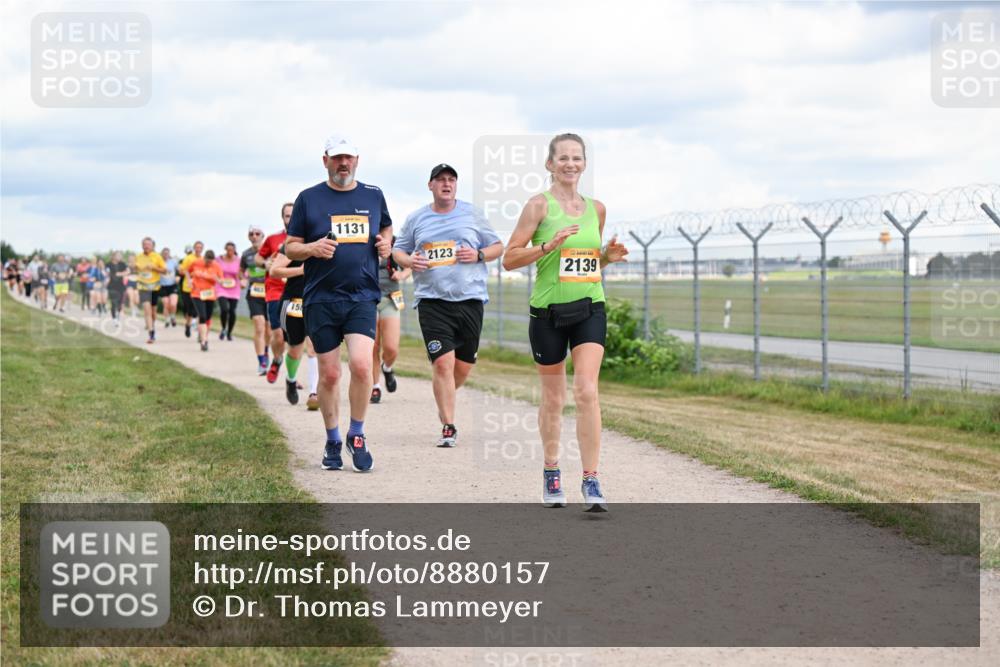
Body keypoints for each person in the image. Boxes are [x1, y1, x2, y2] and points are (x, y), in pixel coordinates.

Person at [502, 133, 628, 512]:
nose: (570, 164)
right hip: (548, 313)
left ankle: (591, 479)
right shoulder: (537, 206)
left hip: (590, 306)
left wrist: (606, 258)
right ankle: (551, 470)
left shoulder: (597, 209)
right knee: (554, 398)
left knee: (587, 391)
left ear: (584, 163)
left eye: (577, 158)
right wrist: (547, 246)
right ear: (550, 164)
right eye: (563, 158)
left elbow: (588, 263)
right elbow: (509, 258)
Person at [284, 134, 393, 473]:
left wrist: (386, 244)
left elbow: (386, 228)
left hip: (362, 295)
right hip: (321, 298)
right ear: (325, 161)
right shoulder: (308, 198)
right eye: (336, 158)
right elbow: (290, 247)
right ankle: (332, 439)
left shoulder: (373, 195)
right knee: (330, 374)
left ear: (357, 161)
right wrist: (312, 248)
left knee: (361, 366)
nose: (343, 163)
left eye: (348, 158)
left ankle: (356, 434)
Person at [392, 163, 503, 446]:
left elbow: (497, 247)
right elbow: (398, 250)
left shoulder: (472, 214)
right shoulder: (417, 218)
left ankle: (445, 397)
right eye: (440, 179)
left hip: (470, 300)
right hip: (432, 301)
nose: (446, 184)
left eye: (451, 179)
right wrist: (409, 260)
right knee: (443, 364)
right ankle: (449, 426)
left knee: (461, 369)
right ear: (430, 185)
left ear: (456, 185)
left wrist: (478, 254)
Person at [268, 244, 312, 405]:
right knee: (295, 350)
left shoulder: (330, 241)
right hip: (293, 302)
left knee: (315, 347)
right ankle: (291, 379)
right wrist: (301, 271)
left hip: (317, 301)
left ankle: (314, 392)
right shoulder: (293, 245)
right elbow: (274, 271)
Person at [370, 240, 410, 403]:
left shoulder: (394, 241)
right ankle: (375, 386)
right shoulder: (362, 238)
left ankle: (387, 368)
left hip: (390, 299)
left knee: (391, 348)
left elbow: (408, 265)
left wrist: (401, 275)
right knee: (372, 347)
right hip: (368, 300)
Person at [257, 205, 291, 383]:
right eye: (287, 216)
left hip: (298, 292)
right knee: (278, 334)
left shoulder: (307, 238)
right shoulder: (272, 239)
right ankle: (277, 360)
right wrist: (265, 263)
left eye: (293, 215)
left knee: (296, 338)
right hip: (275, 290)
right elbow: (258, 257)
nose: (290, 219)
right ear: (282, 218)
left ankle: (292, 376)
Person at [241, 226, 270, 374]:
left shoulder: (270, 251)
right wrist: (243, 279)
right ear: (248, 237)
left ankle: (266, 351)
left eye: (257, 233)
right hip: (254, 292)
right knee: (259, 325)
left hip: (270, 292)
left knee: (269, 329)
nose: (254, 236)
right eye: (251, 234)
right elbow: (241, 271)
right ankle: (261, 362)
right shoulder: (246, 254)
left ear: (262, 236)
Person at [189, 249, 224, 351]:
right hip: (197, 293)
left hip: (209, 295)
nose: (208, 264)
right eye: (207, 261)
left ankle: (203, 335)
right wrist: (189, 280)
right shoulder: (196, 262)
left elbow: (222, 281)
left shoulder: (216, 266)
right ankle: (204, 342)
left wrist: (217, 279)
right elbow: (188, 271)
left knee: (207, 318)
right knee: (202, 316)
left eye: (210, 262)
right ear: (204, 258)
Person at [135, 237, 167, 344]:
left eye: (148, 244)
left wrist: (154, 268)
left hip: (154, 287)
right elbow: (134, 269)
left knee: (153, 312)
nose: (146, 246)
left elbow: (164, 271)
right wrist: (135, 267)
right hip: (143, 287)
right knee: (146, 309)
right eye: (144, 244)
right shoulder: (138, 257)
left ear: (152, 246)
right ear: (142, 245)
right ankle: (151, 333)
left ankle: (152, 326)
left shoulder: (157, 256)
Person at [215, 242, 242, 341]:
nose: (230, 252)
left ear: (234, 250)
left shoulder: (239, 260)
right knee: (224, 309)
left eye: (232, 250)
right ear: (225, 249)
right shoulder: (218, 259)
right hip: (221, 287)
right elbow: (213, 271)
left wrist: (242, 279)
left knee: (232, 311)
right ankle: (223, 328)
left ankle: (229, 332)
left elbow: (243, 273)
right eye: (228, 250)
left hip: (234, 288)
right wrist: (218, 279)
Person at [178, 242, 204, 338]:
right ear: (194, 248)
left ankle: (195, 326)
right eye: (197, 247)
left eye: (200, 247)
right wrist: (190, 273)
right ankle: (188, 325)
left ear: (202, 249)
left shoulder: (203, 259)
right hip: (187, 287)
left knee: (196, 308)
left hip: (198, 287)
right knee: (189, 308)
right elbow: (181, 271)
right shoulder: (188, 258)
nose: (198, 249)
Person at [159, 247, 180, 327]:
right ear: (162, 254)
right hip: (163, 286)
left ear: (169, 254)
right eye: (164, 253)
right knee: (166, 304)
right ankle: (167, 319)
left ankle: (173, 317)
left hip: (172, 285)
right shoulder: (159, 262)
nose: (166, 255)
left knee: (173, 304)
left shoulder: (173, 262)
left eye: (167, 253)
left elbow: (179, 270)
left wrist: (178, 277)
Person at [107, 251, 128, 321]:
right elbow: (108, 273)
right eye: (118, 255)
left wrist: (120, 274)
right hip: (112, 286)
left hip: (121, 286)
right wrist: (116, 274)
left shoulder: (122, 264)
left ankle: (118, 314)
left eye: (120, 255)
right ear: (114, 256)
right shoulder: (108, 264)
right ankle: (114, 318)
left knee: (120, 303)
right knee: (113, 302)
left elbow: (128, 271)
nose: (120, 257)